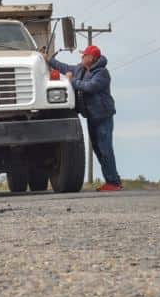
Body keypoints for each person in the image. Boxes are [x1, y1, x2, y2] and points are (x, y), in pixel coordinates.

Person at [45, 45, 122, 191]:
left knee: (105, 150)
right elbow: (64, 67)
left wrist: (71, 81)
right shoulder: (81, 69)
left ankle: (113, 183)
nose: (81, 57)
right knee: (99, 150)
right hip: (92, 116)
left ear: (91, 58)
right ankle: (113, 181)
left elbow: (90, 87)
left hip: (103, 117)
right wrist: (48, 60)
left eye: (84, 55)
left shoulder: (102, 73)